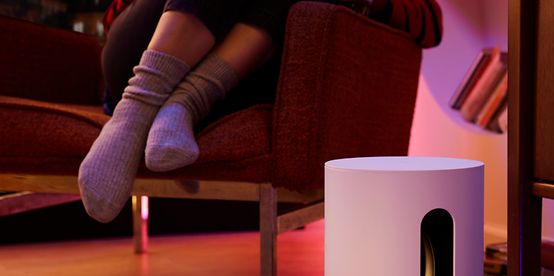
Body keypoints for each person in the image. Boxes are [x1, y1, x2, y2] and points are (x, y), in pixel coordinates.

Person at [78, 0, 443, 223]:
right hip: (142, 48)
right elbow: (115, 16)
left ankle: (186, 100)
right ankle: (138, 107)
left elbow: (432, 21)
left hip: (236, 84)